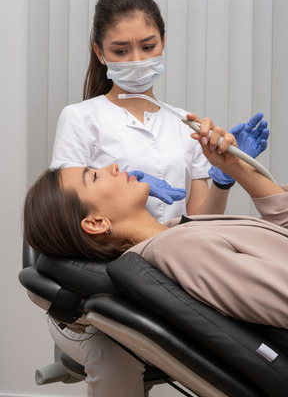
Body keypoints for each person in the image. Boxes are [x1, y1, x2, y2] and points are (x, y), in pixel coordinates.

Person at [44, 0, 271, 397]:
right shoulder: (81, 118)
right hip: (109, 279)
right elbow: (65, 215)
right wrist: (134, 180)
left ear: (163, 42)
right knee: (116, 351)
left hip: (175, 270)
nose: (137, 60)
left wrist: (225, 176)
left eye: (148, 46)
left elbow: (201, 223)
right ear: (100, 53)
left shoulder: (184, 122)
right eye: (121, 50)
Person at [24, 114, 288, 333]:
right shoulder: (179, 249)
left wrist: (236, 167)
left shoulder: (178, 231)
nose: (113, 167)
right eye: (94, 176)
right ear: (96, 223)